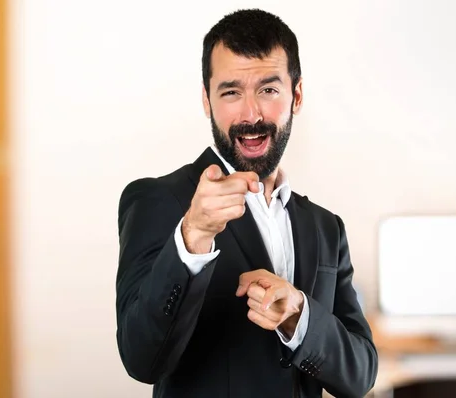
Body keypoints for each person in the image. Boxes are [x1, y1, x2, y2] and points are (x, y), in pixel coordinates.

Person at [115, 8, 378, 398]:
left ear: (297, 95)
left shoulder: (325, 227)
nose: (251, 114)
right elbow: (141, 360)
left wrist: (299, 317)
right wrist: (193, 237)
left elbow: (361, 375)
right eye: (231, 92)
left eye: (268, 89)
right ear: (207, 100)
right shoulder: (158, 201)